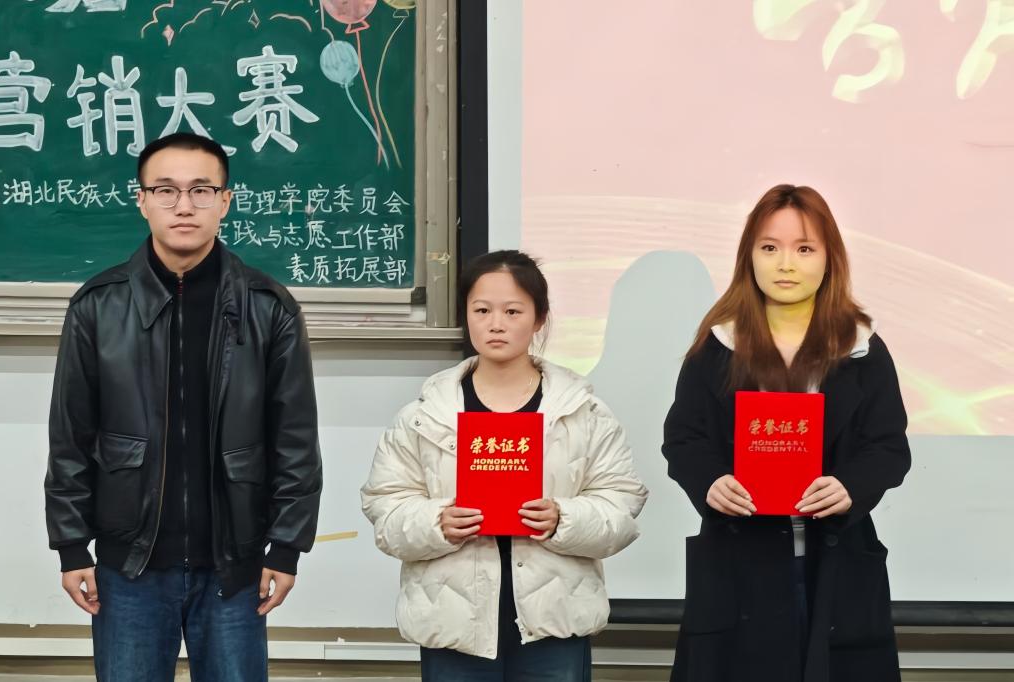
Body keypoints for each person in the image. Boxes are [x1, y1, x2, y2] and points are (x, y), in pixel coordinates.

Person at [44, 132, 323, 682]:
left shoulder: (269, 307)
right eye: (166, 190)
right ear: (142, 200)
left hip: (234, 567)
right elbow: (70, 437)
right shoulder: (98, 306)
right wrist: (71, 546)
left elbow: (294, 438)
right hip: (129, 566)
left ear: (226, 200)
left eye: (201, 190)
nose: (184, 206)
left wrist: (286, 547)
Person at [361, 249, 648, 681]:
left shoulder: (583, 413)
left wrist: (563, 519)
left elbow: (621, 506)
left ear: (539, 318)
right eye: (482, 310)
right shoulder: (424, 415)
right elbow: (385, 508)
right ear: (467, 315)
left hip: (555, 623)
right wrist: (437, 522)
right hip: (453, 624)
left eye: (513, 311)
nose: (496, 324)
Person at [663, 184, 911, 682]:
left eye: (804, 249)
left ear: (829, 258)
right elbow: (684, 439)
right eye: (770, 248)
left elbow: (888, 446)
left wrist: (851, 485)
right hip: (740, 563)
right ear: (749, 257)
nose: (786, 264)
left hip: (836, 562)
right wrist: (711, 480)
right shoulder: (718, 344)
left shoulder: (862, 347)